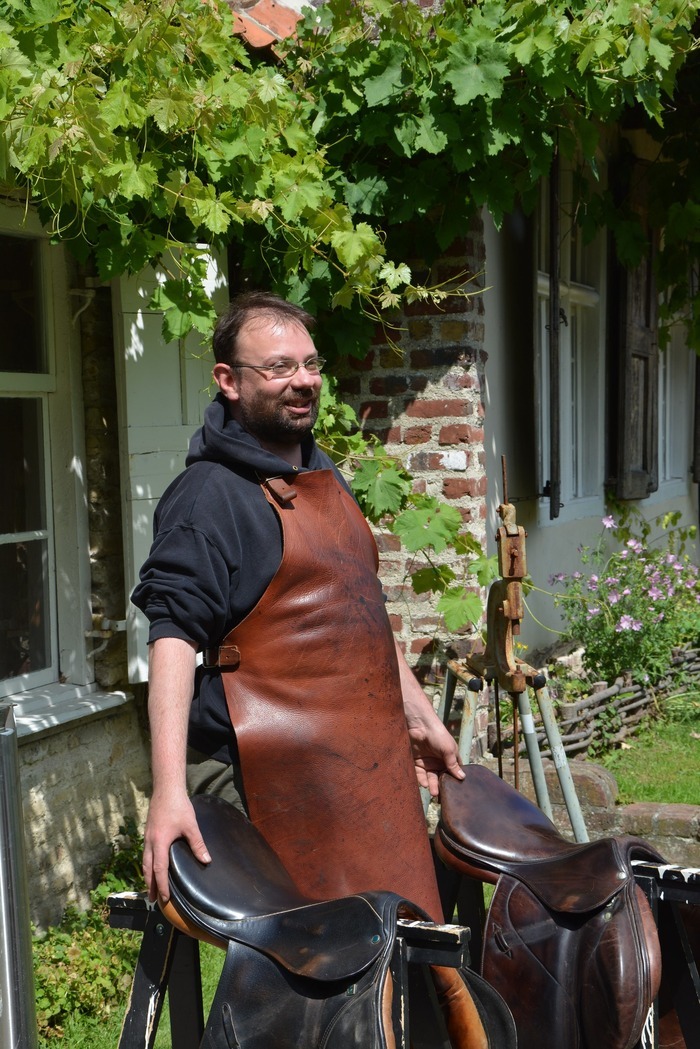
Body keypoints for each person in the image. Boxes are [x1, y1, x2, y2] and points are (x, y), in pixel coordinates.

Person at [132, 291, 464, 919]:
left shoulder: (322, 475)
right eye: (279, 367)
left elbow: (360, 614)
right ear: (228, 381)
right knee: (314, 967)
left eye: (310, 365)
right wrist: (169, 790)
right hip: (261, 767)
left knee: (403, 939)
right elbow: (172, 637)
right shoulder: (207, 497)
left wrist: (418, 717)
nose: (303, 382)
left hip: (353, 756)